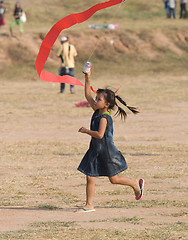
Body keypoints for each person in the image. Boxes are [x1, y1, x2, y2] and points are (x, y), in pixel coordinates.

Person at [77, 70, 144, 212]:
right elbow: (87, 94)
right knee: (90, 177)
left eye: (99, 99)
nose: (95, 100)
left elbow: (100, 135)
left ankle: (134, 184)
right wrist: (87, 77)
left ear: (106, 104)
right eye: (96, 98)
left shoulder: (104, 117)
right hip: (95, 150)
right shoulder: (97, 110)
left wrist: (86, 131)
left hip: (106, 152)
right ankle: (89, 205)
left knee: (114, 180)